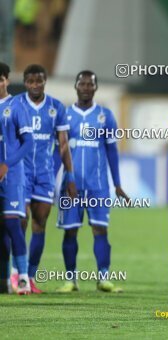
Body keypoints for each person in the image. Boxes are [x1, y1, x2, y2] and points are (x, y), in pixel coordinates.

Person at [55, 70, 128, 293]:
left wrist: (116, 184)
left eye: (90, 84)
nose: (86, 87)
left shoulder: (105, 115)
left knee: (100, 230)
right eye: (82, 84)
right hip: (71, 186)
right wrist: (59, 180)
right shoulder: (64, 115)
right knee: (70, 231)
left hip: (98, 186)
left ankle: (103, 277)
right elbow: (59, 151)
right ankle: (71, 279)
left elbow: (112, 152)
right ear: (76, 87)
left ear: (95, 88)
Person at [10, 64, 77, 294]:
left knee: (40, 223)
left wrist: (69, 175)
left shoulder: (56, 107)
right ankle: (16, 274)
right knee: (20, 222)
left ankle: (30, 276)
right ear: (25, 82)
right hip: (20, 173)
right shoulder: (15, 104)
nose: (35, 85)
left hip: (45, 175)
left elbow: (64, 144)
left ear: (45, 81)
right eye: (30, 81)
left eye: (39, 81)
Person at [0, 62, 34, 294]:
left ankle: (23, 278)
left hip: (10, 176)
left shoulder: (16, 105)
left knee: (13, 224)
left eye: (1, 79)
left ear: (7, 80)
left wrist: (6, 164)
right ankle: (4, 280)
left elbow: (28, 143)